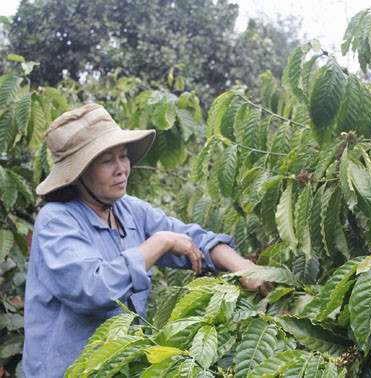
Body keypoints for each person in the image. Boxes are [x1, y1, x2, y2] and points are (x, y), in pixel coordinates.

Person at [22, 103, 272, 377]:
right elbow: (92, 289)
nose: (121, 169)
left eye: (124, 156)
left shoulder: (127, 209)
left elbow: (191, 238)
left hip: (122, 366)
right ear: (79, 173)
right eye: (107, 161)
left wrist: (244, 268)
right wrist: (159, 243)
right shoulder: (56, 220)